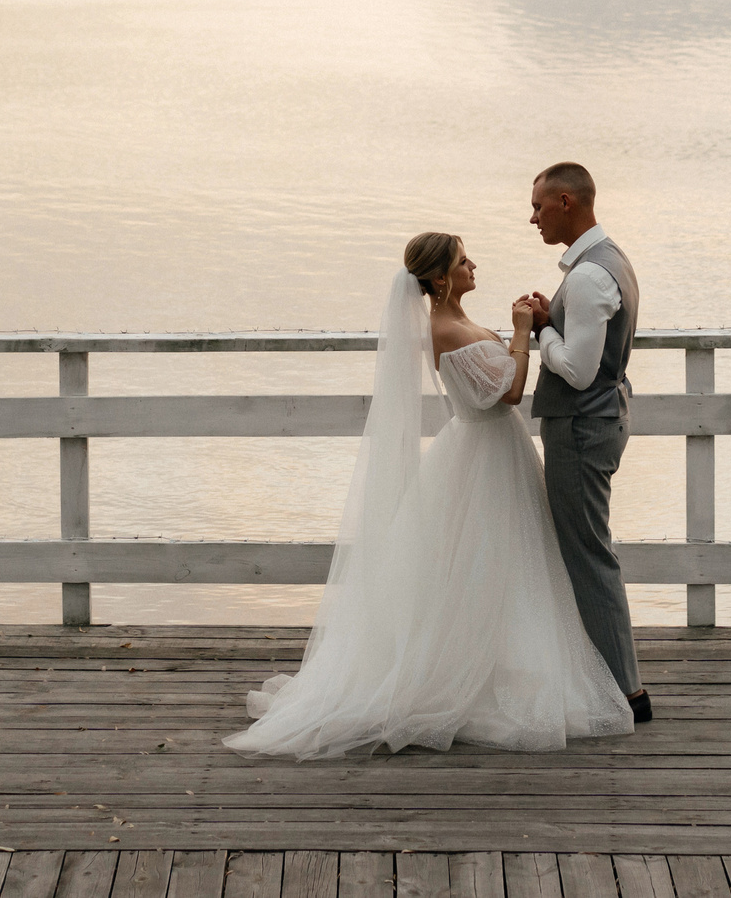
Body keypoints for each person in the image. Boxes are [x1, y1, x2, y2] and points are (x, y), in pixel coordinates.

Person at [224, 231, 634, 759]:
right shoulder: (447, 329)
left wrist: (535, 326)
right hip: (483, 453)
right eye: (464, 262)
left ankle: (501, 663)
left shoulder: (456, 321)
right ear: (439, 278)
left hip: (490, 448)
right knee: (488, 563)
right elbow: (508, 390)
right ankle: (475, 674)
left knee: (505, 567)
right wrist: (520, 330)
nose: (473, 266)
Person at [514, 161, 650, 723]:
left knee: (588, 556)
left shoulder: (593, 275)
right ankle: (609, 683)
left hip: (580, 428)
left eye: (539, 206)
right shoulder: (607, 259)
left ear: (567, 202)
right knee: (588, 550)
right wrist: (556, 318)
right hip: (599, 420)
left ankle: (625, 693)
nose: (533, 218)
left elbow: (576, 369)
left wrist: (540, 329)